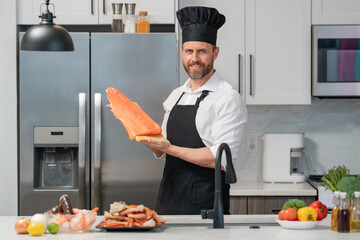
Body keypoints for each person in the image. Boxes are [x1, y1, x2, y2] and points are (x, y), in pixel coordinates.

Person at [143, 6, 248, 215]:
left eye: (202, 51)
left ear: (215, 53)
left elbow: (222, 160)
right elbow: (162, 147)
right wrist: (145, 138)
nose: (195, 59)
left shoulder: (227, 98)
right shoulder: (176, 95)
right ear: (182, 52)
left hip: (206, 208)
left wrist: (169, 148)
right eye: (189, 51)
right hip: (167, 204)